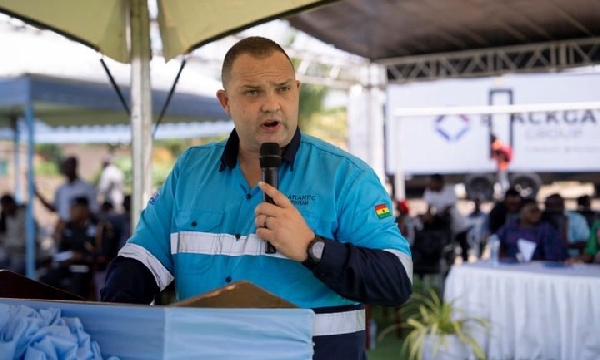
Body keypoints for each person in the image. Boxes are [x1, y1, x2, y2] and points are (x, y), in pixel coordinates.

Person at [101, 36, 412, 359]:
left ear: (297, 90)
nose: (271, 104)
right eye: (253, 92)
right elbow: (141, 262)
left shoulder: (347, 177)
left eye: (283, 89)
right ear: (226, 102)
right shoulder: (189, 171)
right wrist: (107, 324)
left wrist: (312, 248)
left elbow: (396, 281)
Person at [36, 156, 99, 239]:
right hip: (63, 229)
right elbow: (54, 209)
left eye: (68, 166)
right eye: (64, 167)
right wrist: (38, 195)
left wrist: (79, 217)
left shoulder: (87, 188)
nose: (66, 169)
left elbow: (94, 209)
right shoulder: (61, 189)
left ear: (75, 166)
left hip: (81, 231)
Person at [496, 198, 567, 262]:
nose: (537, 214)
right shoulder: (510, 227)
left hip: (538, 267)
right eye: (532, 211)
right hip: (511, 266)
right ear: (521, 213)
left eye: (538, 211)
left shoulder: (546, 229)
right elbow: (497, 243)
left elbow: (554, 255)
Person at [422, 174, 470, 261]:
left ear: (439, 182)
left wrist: (435, 216)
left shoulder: (449, 190)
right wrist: (427, 217)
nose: (431, 184)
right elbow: (428, 208)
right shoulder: (429, 191)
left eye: (433, 182)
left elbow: (447, 209)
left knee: (463, 247)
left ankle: (465, 264)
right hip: (444, 226)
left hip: (458, 224)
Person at [0, 194, 38, 275]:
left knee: (10, 273)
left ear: (12, 203)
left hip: (25, 256)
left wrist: (8, 243)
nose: (5, 209)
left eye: (6, 206)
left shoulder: (25, 216)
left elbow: (27, 241)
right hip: (12, 255)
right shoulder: (7, 217)